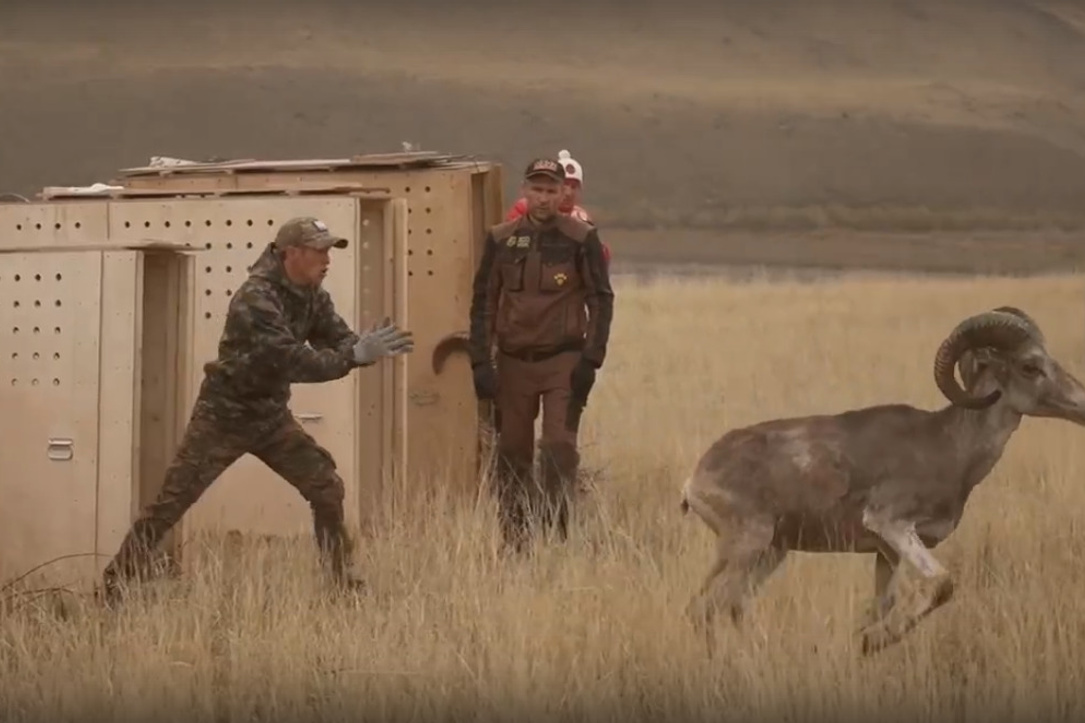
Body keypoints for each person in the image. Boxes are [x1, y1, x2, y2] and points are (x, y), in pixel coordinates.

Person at [100, 216, 414, 603]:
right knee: (174, 500)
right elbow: (298, 362)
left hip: (269, 416)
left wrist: (362, 348)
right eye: (319, 250)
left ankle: (341, 582)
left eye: (329, 250)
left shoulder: (313, 293)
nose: (327, 259)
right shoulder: (256, 299)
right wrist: (354, 356)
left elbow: (337, 338)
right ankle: (115, 582)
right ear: (291, 253)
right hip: (224, 416)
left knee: (324, 484)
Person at [468, 158, 615, 552]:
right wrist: (481, 361)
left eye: (552, 190)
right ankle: (516, 539)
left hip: (562, 362)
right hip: (514, 362)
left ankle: (556, 534)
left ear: (562, 193)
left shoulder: (580, 238)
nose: (545, 198)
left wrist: (591, 360)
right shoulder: (500, 238)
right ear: (525, 191)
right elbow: (483, 301)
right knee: (513, 450)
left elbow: (601, 299)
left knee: (557, 448)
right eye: (537, 189)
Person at [505, 149, 612, 267]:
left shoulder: (581, 218)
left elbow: (600, 259)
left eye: (574, 187)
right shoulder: (525, 210)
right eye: (565, 185)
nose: (569, 192)